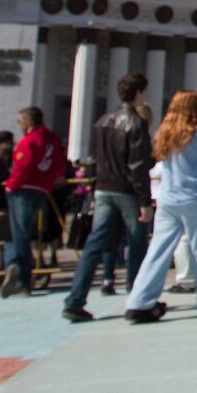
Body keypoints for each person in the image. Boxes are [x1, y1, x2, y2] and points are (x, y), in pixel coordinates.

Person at [125, 91, 197, 322]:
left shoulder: (163, 134)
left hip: (167, 200)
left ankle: (139, 301)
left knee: (157, 251)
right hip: (194, 198)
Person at [62, 73, 155, 321]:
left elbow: (95, 159)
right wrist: (145, 200)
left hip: (103, 189)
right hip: (126, 191)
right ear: (138, 93)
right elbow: (138, 166)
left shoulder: (102, 121)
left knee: (95, 244)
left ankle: (75, 299)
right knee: (137, 244)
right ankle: (138, 300)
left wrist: (93, 190)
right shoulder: (135, 124)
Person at [0, 106, 66, 298]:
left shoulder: (29, 141)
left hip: (23, 190)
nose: (19, 124)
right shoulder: (52, 139)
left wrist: (11, 185)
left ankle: (19, 274)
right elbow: (59, 164)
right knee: (23, 233)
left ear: (28, 122)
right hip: (42, 190)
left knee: (19, 234)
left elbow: (23, 165)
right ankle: (16, 267)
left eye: (20, 121)